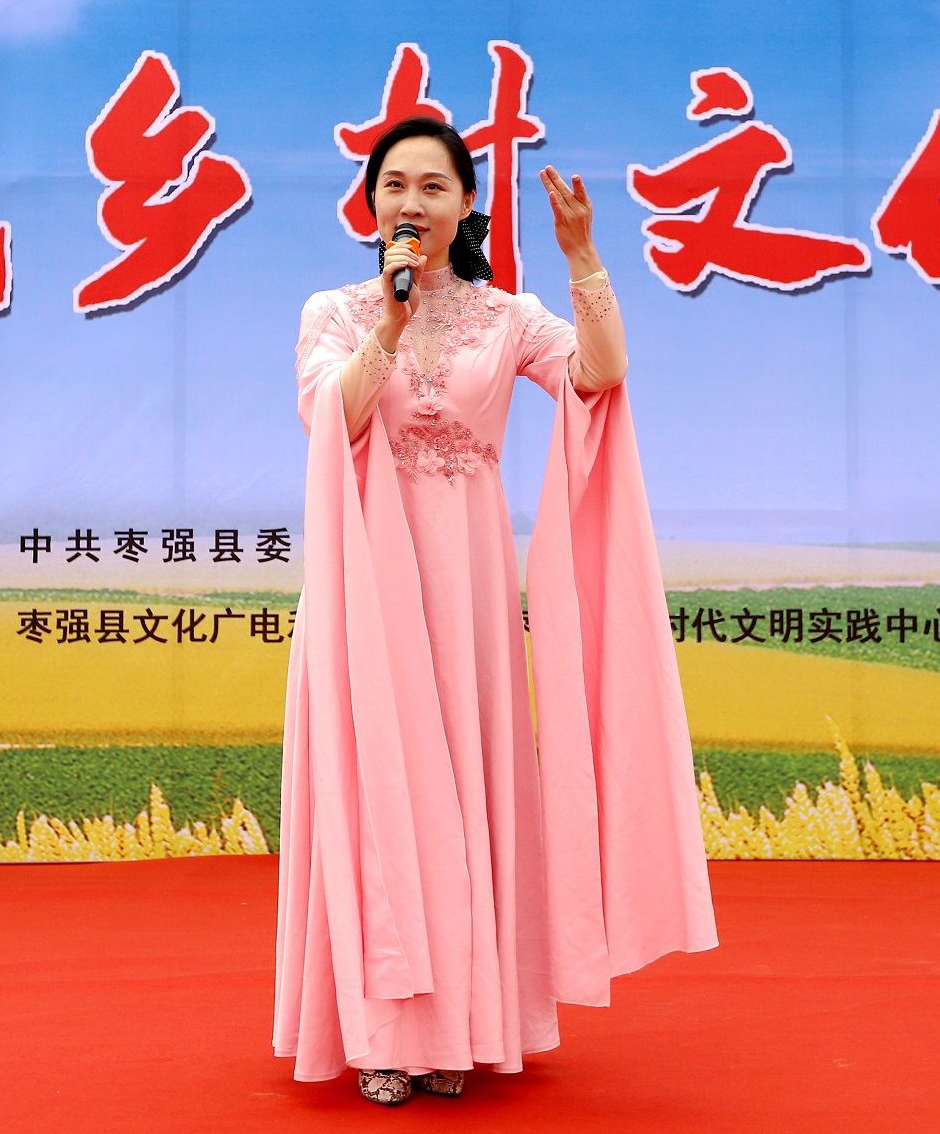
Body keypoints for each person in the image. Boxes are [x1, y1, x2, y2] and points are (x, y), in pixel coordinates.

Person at [275, 117, 719, 1105]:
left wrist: (583, 258)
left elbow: (599, 374)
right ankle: (383, 1031)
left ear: (467, 202)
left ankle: (462, 1030)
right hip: (365, 584)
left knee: (467, 793)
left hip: (469, 593)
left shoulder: (507, 316)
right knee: (382, 791)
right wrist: (390, 326)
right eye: (395, 184)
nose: (412, 202)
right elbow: (331, 416)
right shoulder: (335, 312)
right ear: (371, 200)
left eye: (434, 185)